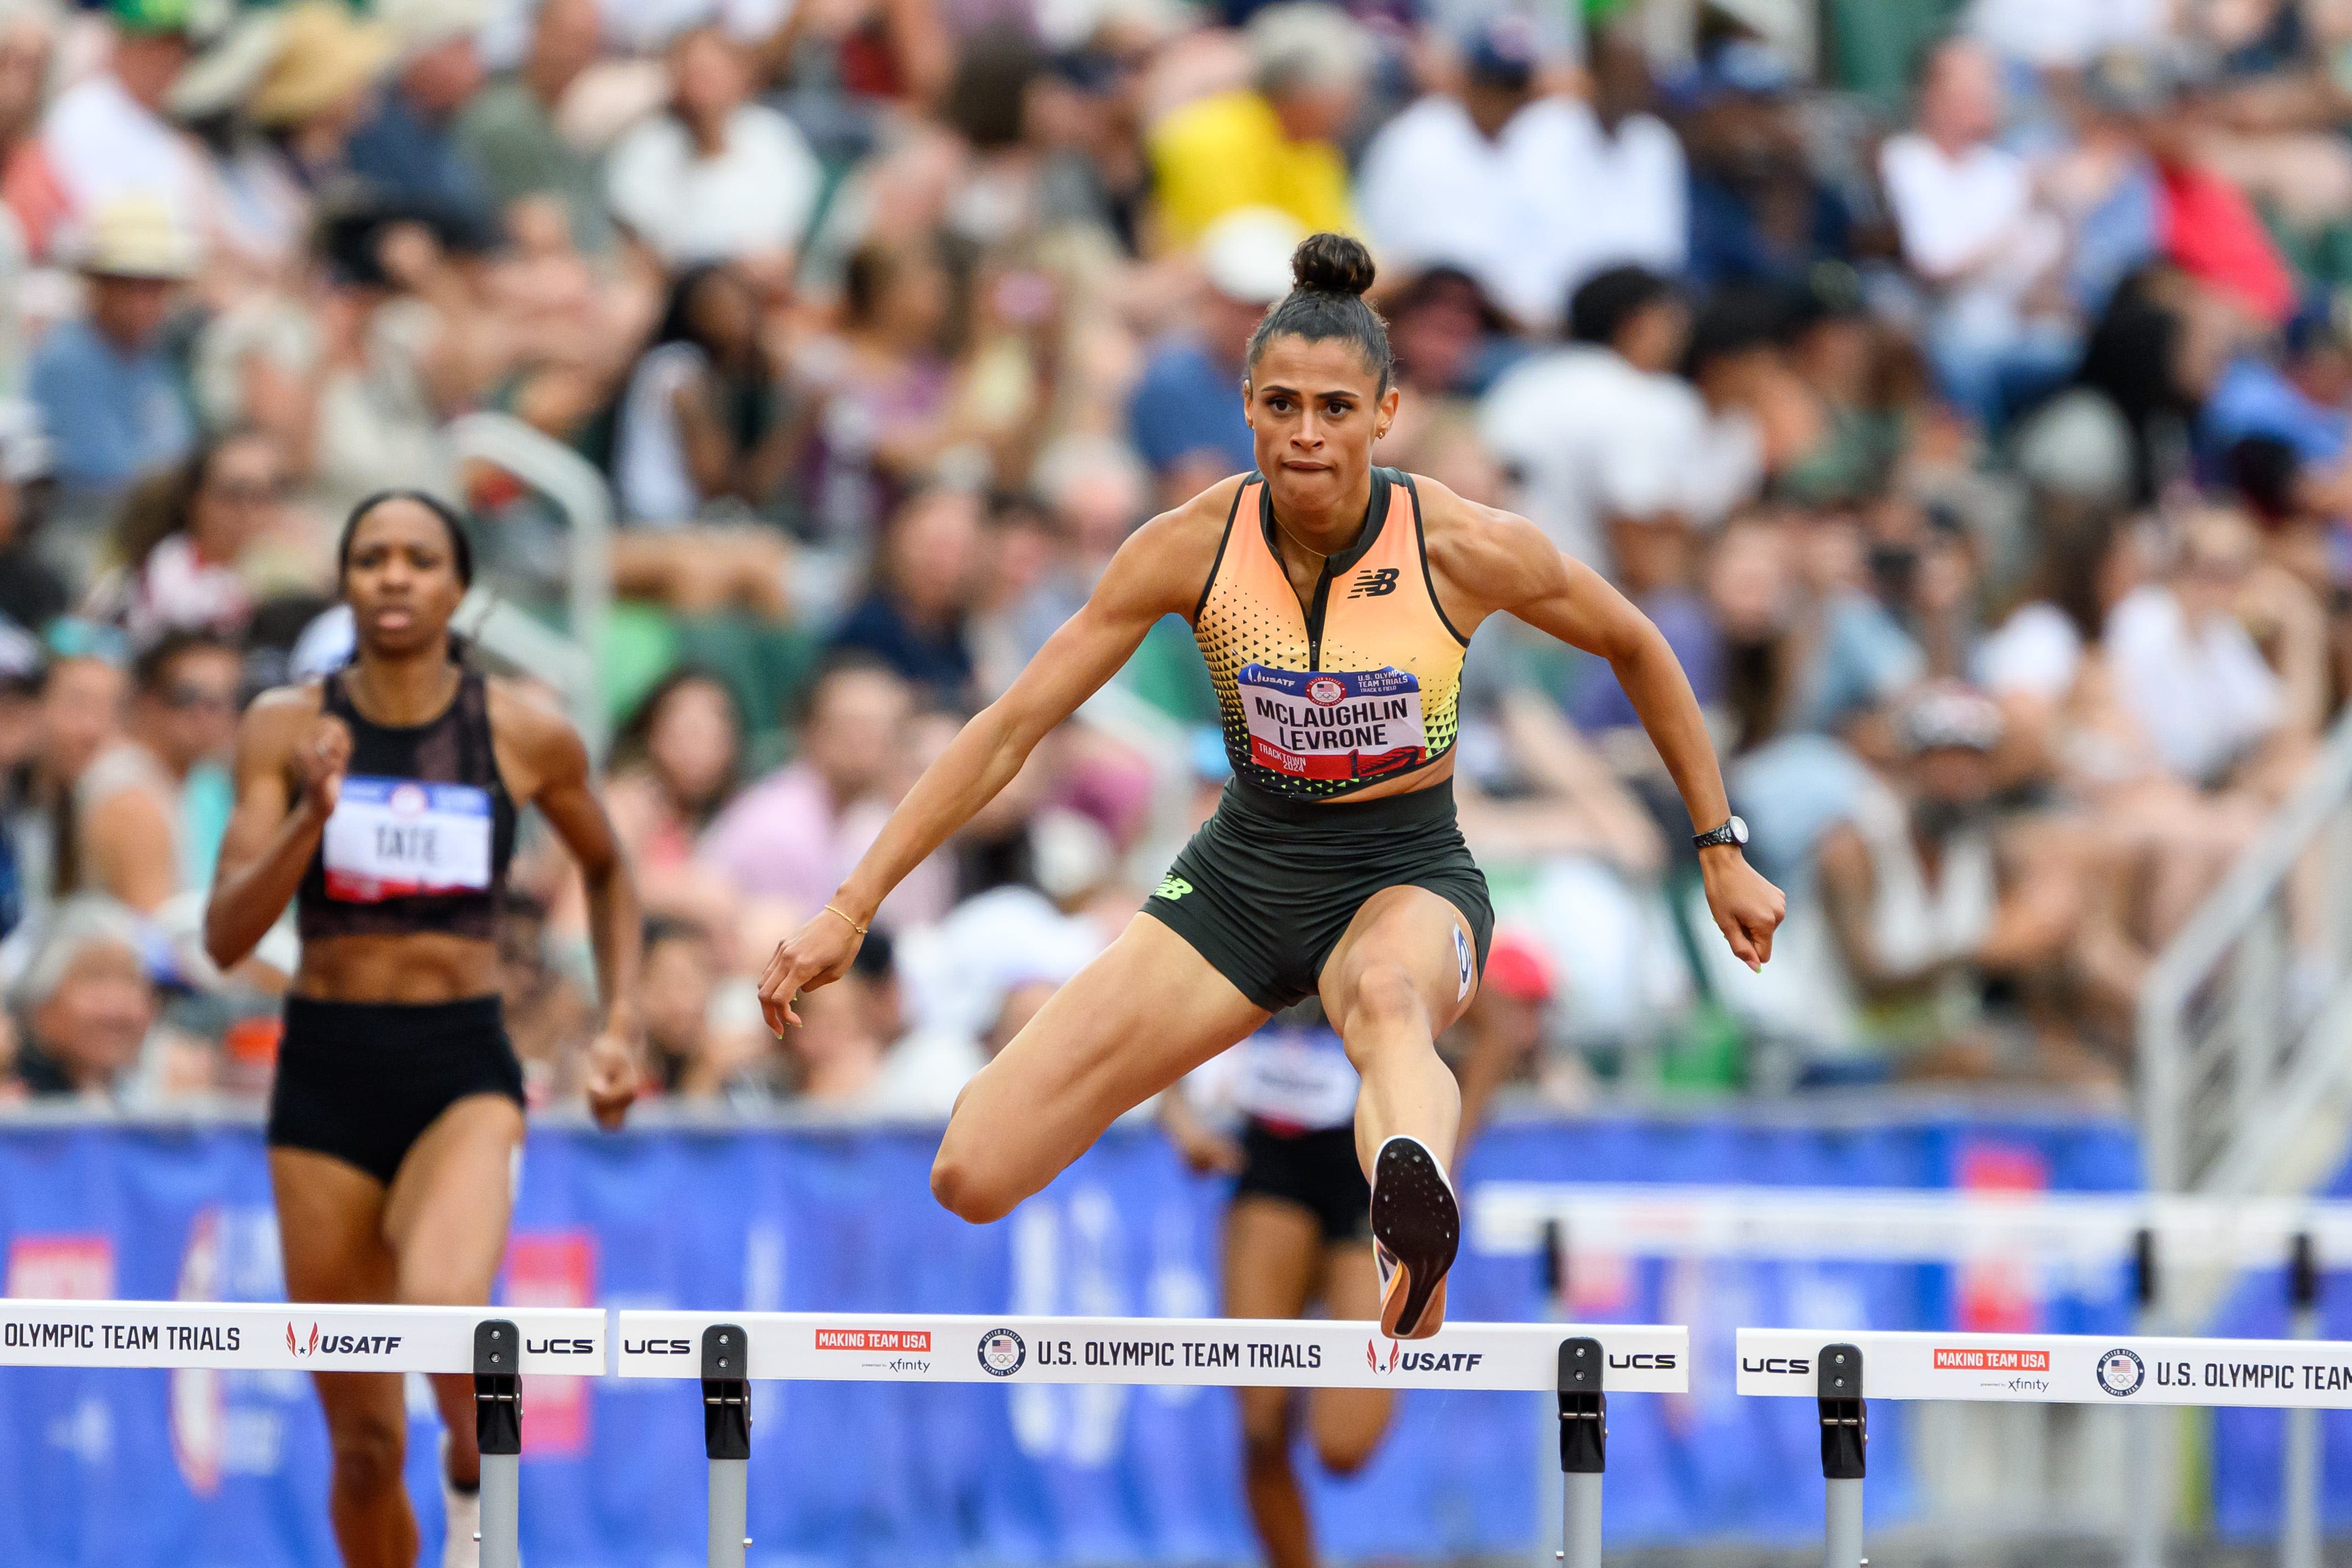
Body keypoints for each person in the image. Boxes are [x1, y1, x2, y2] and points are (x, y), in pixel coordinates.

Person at [758, 233, 1784, 1339]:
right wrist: (849, 907)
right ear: (1244, 406)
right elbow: (1009, 729)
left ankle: (1408, 1214)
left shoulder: (1457, 544)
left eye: (1334, 409)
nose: (1305, 435)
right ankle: (1398, 1192)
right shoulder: (1188, 546)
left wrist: (1716, 845)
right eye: (1281, 404)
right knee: (971, 1171)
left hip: (1403, 869)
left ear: (1384, 415)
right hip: (1241, 878)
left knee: (1388, 1005)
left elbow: (1636, 645)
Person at [202, 490, 644, 1568]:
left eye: (419, 559)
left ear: (460, 586)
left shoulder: (522, 731)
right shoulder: (282, 728)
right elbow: (223, 936)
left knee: (445, 1315)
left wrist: (618, 1022)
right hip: (325, 1076)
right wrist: (311, 818)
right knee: (358, 1444)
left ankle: (467, 1462)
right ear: (346, 582)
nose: (393, 577)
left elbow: (608, 864)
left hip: (459, 1068)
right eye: (370, 558)